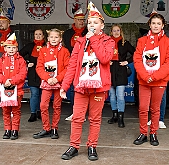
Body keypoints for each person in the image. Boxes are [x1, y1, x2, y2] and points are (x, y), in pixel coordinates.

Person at [60, 2, 114, 161]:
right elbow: (71, 65)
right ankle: (74, 146)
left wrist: (95, 40)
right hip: (81, 88)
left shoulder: (109, 41)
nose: (91, 25)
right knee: (77, 117)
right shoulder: (80, 42)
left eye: (95, 23)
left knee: (95, 119)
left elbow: (105, 58)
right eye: (89, 22)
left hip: (99, 88)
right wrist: (65, 86)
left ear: (102, 25)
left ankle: (92, 146)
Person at [133, 13, 169, 146]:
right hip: (144, 80)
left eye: (158, 23)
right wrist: (146, 76)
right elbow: (137, 59)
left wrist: (155, 76)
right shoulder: (141, 41)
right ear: (149, 25)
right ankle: (143, 133)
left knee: (155, 108)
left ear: (163, 25)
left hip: (159, 81)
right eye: (153, 23)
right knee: (143, 107)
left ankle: (153, 133)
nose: (156, 26)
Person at [33, 28, 70, 139]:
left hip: (59, 83)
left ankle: (54, 128)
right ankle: (46, 128)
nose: (54, 39)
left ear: (60, 38)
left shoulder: (65, 51)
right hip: (47, 82)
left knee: (57, 106)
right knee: (43, 105)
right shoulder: (43, 51)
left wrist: (57, 79)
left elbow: (68, 68)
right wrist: (47, 78)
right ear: (48, 38)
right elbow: (39, 67)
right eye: (52, 37)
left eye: (56, 37)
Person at [0, 33, 27, 140]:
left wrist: (12, 81)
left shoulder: (21, 60)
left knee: (16, 111)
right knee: (6, 110)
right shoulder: (1, 60)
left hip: (17, 90)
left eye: (14, 47)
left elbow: (22, 74)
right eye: (9, 47)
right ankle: (7, 129)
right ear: (5, 48)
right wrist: (4, 81)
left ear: (17, 48)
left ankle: (15, 130)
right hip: (4, 89)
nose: (11, 49)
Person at [107, 24, 135, 128]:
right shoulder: (107, 42)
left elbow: (136, 53)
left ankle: (120, 118)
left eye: (118, 30)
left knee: (120, 96)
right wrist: (106, 61)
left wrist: (127, 62)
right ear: (111, 32)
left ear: (121, 31)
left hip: (121, 69)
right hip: (110, 69)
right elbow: (101, 54)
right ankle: (114, 115)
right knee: (112, 96)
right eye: (114, 30)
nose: (116, 32)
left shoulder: (125, 43)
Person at [63, 8, 88, 121]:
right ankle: (75, 112)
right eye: (79, 20)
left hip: (85, 63)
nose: (81, 22)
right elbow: (66, 48)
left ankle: (85, 112)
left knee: (85, 87)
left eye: (83, 20)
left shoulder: (88, 32)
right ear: (74, 20)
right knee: (73, 88)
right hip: (72, 63)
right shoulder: (68, 33)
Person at [19, 29, 45, 122]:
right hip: (32, 73)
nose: (38, 36)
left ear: (43, 36)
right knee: (34, 94)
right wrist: (26, 62)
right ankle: (33, 113)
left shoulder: (47, 46)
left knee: (42, 95)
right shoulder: (30, 46)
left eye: (40, 34)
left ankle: (40, 112)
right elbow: (19, 55)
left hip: (44, 74)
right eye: (36, 34)